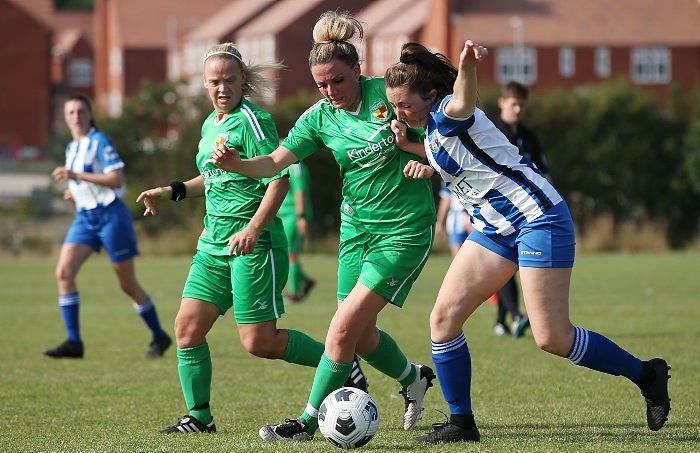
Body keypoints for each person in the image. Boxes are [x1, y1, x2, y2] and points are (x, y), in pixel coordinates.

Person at [384, 40, 671, 443]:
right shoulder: (430, 131)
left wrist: (467, 66)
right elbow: (457, 158)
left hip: (539, 218)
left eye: (404, 106)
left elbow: (463, 99)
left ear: (431, 96)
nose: (398, 114)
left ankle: (648, 374)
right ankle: (461, 423)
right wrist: (411, 151)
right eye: (392, 106)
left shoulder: (448, 113)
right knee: (443, 320)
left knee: (551, 337)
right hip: (494, 229)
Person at [212, 11, 437, 442]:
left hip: (405, 229)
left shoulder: (386, 94)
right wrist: (238, 164)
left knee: (341, 329)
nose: (331, 91)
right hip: (356, 232)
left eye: (338, 80)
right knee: (362, 334)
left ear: (357, 68)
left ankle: (307, 423)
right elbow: (275, 163)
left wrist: (426, 164)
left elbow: (439, 137)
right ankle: (413, 378)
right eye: (322, 84)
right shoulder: (318, 118)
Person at [136, 42, 366, 434]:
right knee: (187, 329)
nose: (222, 88)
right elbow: (211, 177)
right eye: (214, 82)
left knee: (260, 342)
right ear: (205, 85)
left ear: (243, 80)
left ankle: (341, 363)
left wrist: (253, 229)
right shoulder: (210, 125)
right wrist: (172, 190)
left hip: (253, 246)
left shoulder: (253, 120)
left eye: (229, 80)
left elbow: (278, 181)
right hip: (212, 245)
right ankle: (200, 417)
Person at [45, 94, 172, 360]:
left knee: (127, 284)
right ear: (65, 117)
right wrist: (75, 192)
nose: (76, 117)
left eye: (81, 111)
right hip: (85, 218)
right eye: (71, 113)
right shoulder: (71, 147)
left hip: (111, 215)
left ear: (90, 115)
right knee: (63, 273)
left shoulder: (99, 141)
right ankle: (74, 342)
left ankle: (159, 336)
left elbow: (115, 179)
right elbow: (86, 182)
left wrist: (75, 176)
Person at [491, 81, 549, 339]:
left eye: (522, 105)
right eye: (514, 104)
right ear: (502, 103)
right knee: (501, 263)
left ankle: (504, 321)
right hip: (496, 210)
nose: (518, 109)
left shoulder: (529, 137)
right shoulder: (490, 131)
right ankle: (515, 317)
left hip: (526, 213)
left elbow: (543, 175)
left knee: (508, 265)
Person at [278, 161, 316, 302]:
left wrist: (301, 216)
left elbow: (300, 191)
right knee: (288, 253)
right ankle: (305, 281)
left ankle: (294, 293)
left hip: (293, 216)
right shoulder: (282, 163)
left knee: (291, 254)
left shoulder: (295, 166)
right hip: (284, 216)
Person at [435, 180, 471, 257]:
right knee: (457, 253)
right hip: (457, 217)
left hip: (475, 215)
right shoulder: (448, 171)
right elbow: (446, 198)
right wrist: (439, 223)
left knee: (477, 252)